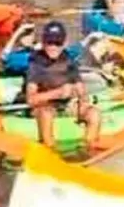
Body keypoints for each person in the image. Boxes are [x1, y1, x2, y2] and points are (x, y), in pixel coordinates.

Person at [25, 21, 100, 149]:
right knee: (46, 113)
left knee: (94, 113)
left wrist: (82, 104)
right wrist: (57, 93)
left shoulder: (69, 62)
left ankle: (88, 148)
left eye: (57, 43)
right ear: (43, 43)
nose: (53, 47)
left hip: (65, 105)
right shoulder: (36, 65)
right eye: (49, 42)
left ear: (64, 43)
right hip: (43, 107)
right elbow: (31, 99)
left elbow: (81, 90)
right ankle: (50, 150)